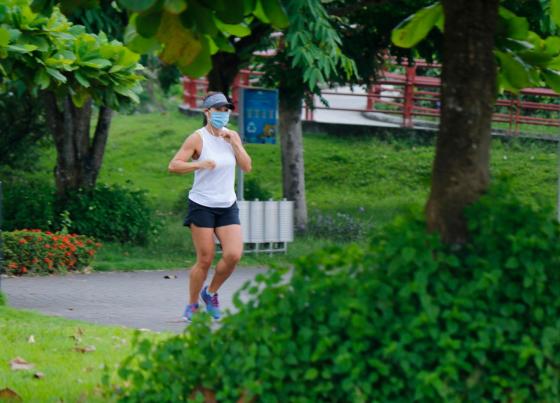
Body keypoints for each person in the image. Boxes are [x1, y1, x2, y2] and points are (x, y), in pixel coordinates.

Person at [168, 92, 252, 322]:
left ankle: (210, 293)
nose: (222, 114)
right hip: (202, 205)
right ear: (207, 112)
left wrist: (235, 143)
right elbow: (173, 166)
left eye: (226, 110)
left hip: (227, 204)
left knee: (233, 255)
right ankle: (192, 305)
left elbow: (246, 167)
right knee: (205, 259)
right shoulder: (197, 138)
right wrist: (199, 164)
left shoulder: (232, 136)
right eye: (218, 110)